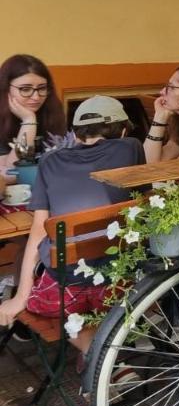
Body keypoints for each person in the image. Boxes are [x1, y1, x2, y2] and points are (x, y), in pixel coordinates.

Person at [0, 97, 143, 356]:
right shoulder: (131, 148)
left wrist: (19, 298)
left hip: (62, 294)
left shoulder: (49, 162)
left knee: (64, 309)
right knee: (97, 307)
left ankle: (97, 357)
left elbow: (38, 232)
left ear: (76, 132)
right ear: (122, 130)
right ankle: (110, 363)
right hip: (119, 286)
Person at [1, 54, 68, 180]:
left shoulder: (52, 112)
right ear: (5, 89)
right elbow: (12, 173)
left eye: (42, 88)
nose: (36, 97)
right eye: (25, 89)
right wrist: (29, 122)